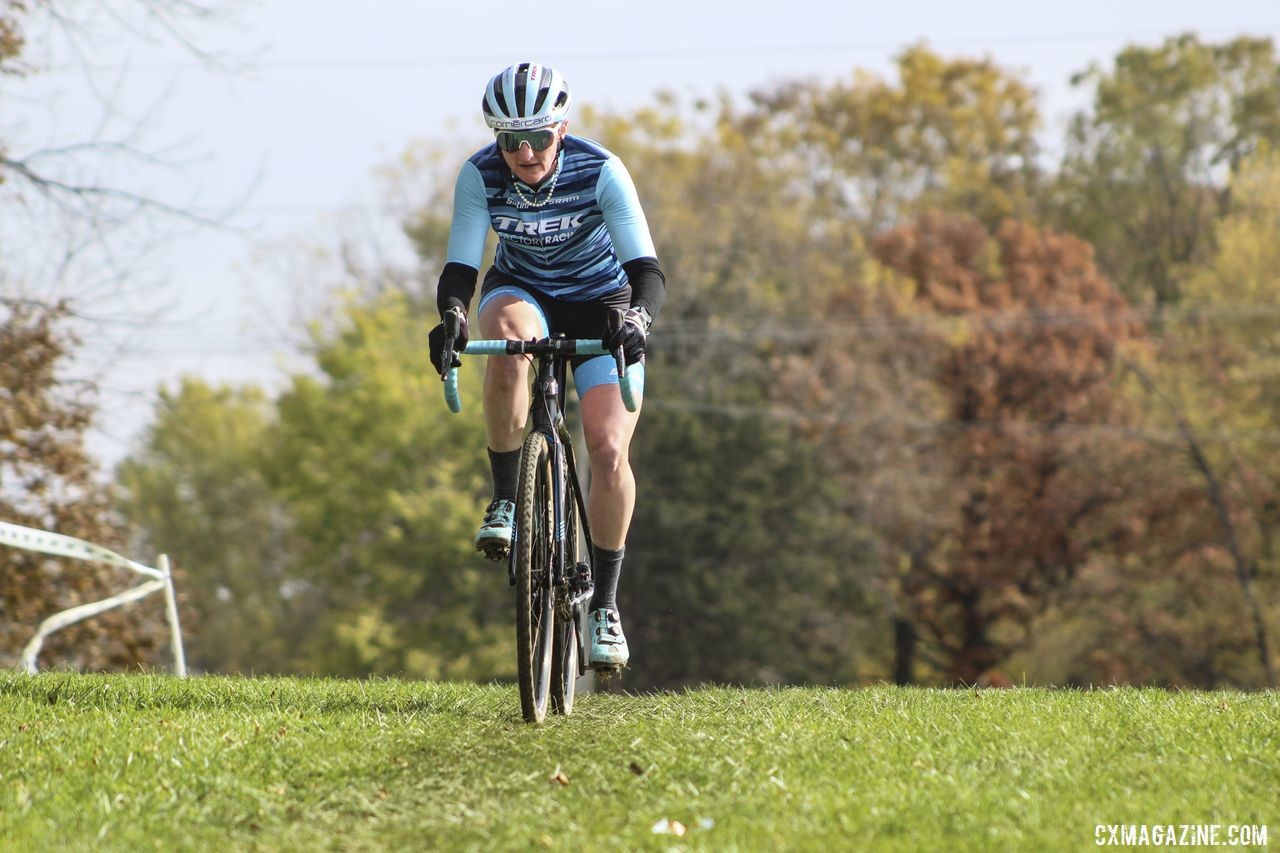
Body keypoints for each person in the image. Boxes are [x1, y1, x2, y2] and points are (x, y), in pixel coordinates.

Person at [428, 62, 665, 670]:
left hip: (602, 303)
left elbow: (646, 270)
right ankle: (508, 498)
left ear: (562, 128)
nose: (525, 151)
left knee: (609, 451)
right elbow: (461, 268)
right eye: (510, 140)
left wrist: (636, 321)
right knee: (505, 343)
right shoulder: (480, 176)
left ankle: (605, 606)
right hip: (523, 292)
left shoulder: (601, 170)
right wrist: (452, 315)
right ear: (496, 140)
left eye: (536, 136)